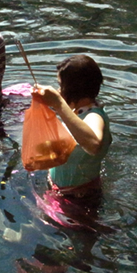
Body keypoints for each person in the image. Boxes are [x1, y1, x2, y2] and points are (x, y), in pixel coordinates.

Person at [32, 54, 112, 225]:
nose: (59, 91)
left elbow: (93, 144)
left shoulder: (94, 116)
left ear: (74, 88)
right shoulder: (78, 113)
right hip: (62, 192)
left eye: (61, 86)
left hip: (78, 200)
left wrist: (59, 104)